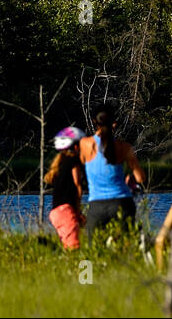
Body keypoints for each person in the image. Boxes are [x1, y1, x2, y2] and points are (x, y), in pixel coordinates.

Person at [80, 104, 146, 240]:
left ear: (94, 121)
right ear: (114, 124)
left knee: (95, 250)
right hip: (122, 203)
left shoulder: (85, 144)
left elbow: (83, 164)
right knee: (126, 247)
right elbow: (141, 178)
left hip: (96, 205)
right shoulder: (124, 147)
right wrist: (130, 179)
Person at [46, 127, 86, 250]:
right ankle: (82, 269)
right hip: (66, 211)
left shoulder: (60, 161)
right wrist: (78, 210)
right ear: (76, 147)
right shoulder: (73, 160)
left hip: (56, 213)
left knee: (69, 246)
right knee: (74, 248)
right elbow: (77, 185)